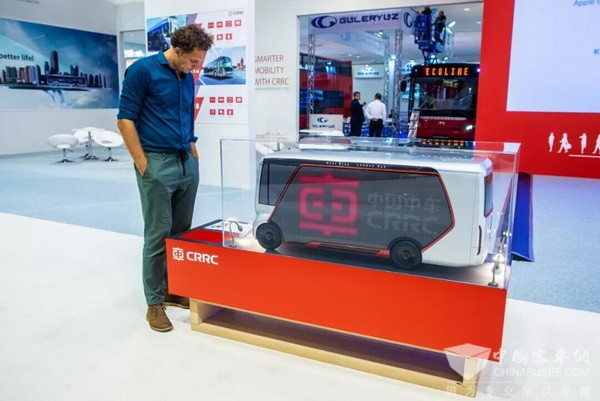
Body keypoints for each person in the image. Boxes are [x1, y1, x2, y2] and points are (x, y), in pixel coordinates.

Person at [117, 25, 213, 332]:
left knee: (181, 233)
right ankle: (154, 303)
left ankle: (173, 288)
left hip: (186, 162)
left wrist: (193, 147)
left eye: (199, 62)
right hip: (156, 163)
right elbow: (125, 120)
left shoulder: (186, 77)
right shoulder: (142, 71)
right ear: (178, 51)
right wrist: (143, 164)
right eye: (193, 61)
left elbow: (186, 115)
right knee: (158, 235)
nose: (196, 67)